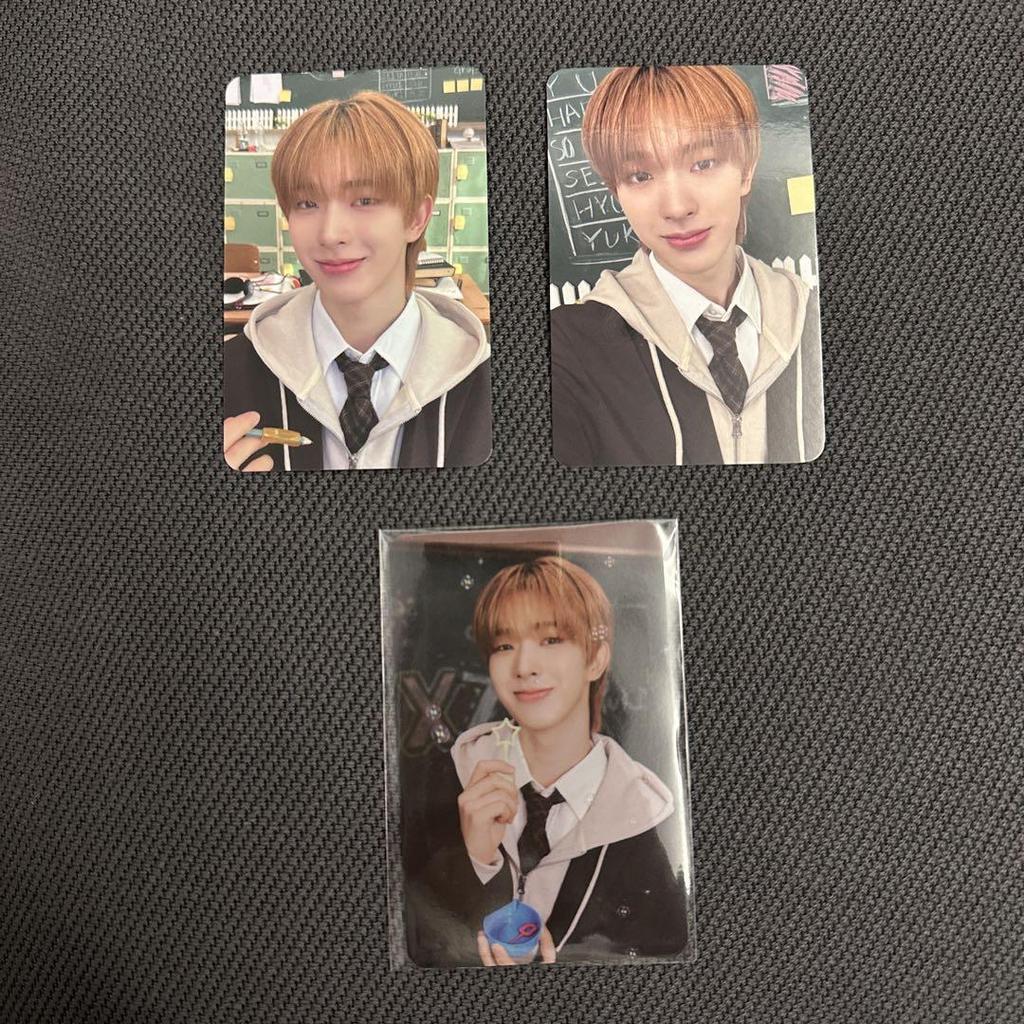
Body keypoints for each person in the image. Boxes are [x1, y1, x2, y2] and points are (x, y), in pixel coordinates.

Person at [404, 556, 689, 967]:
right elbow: (417, 934)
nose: (524, 667)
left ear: (596, 659)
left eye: (551, 639)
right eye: (504, 646)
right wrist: (477, 860)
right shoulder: (449, 777)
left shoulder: (645, 819)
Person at [550, 65, 824, 466]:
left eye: (703, 163)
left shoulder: (811, 316)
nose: (677, 207)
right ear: (616, 192)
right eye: (640, 175)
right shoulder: (567, 348)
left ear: (746, 170)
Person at [223, 92, 491, 471]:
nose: (331, 233)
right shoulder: (235, 373)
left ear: (417, 218)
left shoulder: (480, 383)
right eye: (306, 203)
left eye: (364, 200)